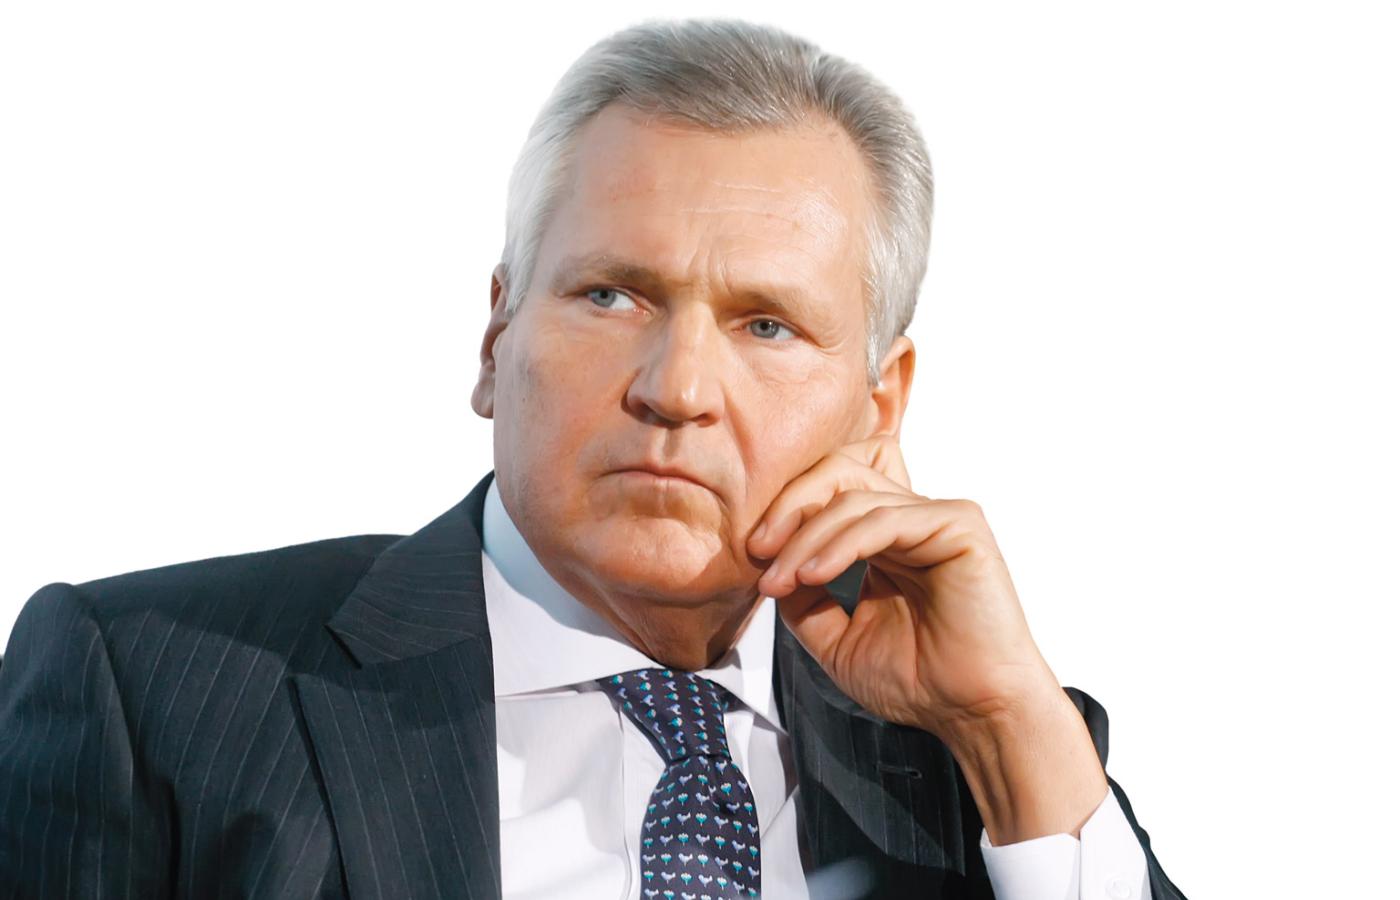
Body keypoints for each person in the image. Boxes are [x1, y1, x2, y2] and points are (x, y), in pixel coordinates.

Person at [0, 17, 1188, 900]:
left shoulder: (969, 761)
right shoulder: (152, 688)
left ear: (879, 408)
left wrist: (1009, 729)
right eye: (612, 295)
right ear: (494, 338)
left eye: (765, 325)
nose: (675, 389)